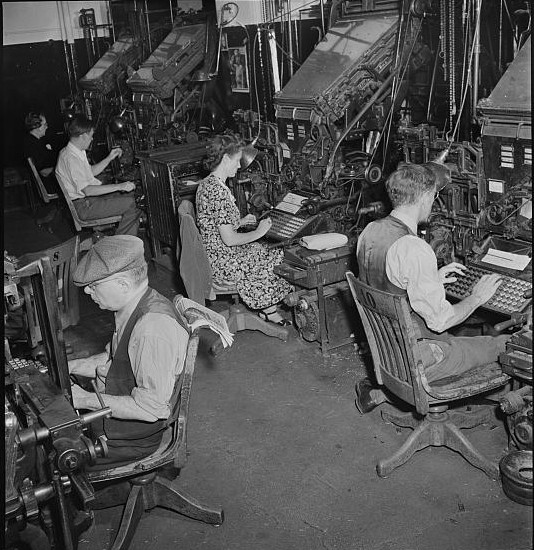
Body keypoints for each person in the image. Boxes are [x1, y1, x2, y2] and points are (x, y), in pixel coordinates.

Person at [354, 162, 510, 414]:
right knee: (505, 343)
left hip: (386, 353)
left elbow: (384, 282)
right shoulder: (414, 249)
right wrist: (476, 298)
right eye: (435, 196)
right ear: (426, 196)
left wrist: (432, 279)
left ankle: (383, 392)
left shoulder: (370, 231)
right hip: (418, 360)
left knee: (462, 338)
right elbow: (440, 322)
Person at [68, 235, 189, 468]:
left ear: (123, 284)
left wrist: (84, 399)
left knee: (48, 462)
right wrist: (70, 367)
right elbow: (115, 358)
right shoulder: (136, 303)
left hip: (132, 440)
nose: (87, 293)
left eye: (94, 286)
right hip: (120, 426)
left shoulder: (151, 328)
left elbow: (149, 408)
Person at [195, 133, 293, 325]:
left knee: (263, 249)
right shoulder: (217, 192)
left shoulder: (208, 184)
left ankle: (268, 309)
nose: (239, 166)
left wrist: (238, 222)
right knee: (274, 253)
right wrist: (258, 232)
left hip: (214, 253)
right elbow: (229, 240)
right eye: (237, 160)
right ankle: (267, 305)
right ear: (225, 159)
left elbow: (212, 224)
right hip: (223, 262)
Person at [55, 114, 141, 236]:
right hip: (84, 206)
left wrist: (110, 157)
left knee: (132, 194)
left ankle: (121, 235)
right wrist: (120, 186)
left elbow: (90, 172)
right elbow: (88, 190)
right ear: (83, 136)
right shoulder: (71, 158)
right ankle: (123, 245)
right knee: (135, 203)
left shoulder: (74, 151)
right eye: (91, 136)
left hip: (86, 201)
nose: (92, 139)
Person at [23, 111, 60, 194]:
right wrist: (62, 167)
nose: (47, 127)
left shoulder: (39, 140)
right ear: (36, 126)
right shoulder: (31, 145)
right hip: (48, 186)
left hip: (52, 181)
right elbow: (44, 172)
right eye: (45, 124)